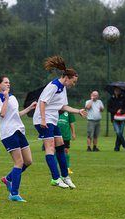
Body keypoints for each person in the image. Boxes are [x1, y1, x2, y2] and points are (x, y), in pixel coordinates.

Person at [33, 56, 87, 189]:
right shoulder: (53, 86)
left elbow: (63, 106)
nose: (73, 84)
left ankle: (65, 176)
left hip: (52, 120)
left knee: (61, 145)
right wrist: (43, 120)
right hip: (43, 120)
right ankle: (55, 178)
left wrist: (77, 111)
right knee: (50, 147)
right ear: (67, 78)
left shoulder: (62, 89)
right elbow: (42, 102)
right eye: (73, 82)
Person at [0, 75, 37, 202]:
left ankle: (8, 178)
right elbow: (3, 114)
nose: (8, 84)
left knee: (28, 161)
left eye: (9, 82)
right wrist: (5, 97)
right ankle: (14, 194)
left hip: (18, 130)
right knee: (19, 162)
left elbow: (16, 114)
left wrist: (29, 108)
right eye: (5, 82)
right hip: (8, 132)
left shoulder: (13, 97)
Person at [107, 87, 125, 152]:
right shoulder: (111, 99)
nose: (116, 91)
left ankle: (116, 148)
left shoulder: (124, 98)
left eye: (118, 90)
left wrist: (121, 111)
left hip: (122, 118)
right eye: (115, 90)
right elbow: (108, 109)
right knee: (118, 132)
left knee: (120, 133)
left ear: (120, 91)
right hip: (114, 118)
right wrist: (115, 111)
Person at [57, 110, 76, 175]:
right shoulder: (55, 108)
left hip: (66, 135)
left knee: (66, 151)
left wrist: (73, 133)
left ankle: (67, 168)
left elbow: (72, 123)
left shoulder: (69, 111)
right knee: (54, 150)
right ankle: (56, 168)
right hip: (56, 134)